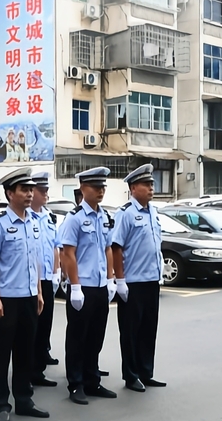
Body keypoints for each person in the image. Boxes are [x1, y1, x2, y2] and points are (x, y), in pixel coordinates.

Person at [0, 168, 48, 421]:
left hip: (30, 296)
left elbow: (35, 260)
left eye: (31, 189)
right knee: (1, 353)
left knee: (26, 351)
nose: (30, 194)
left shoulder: (34, 221)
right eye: (24, 190)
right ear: (10, 193)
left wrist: (40, 292)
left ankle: (24, 399)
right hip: (7, 298)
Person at [58, 167, 117, 405]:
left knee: (96, 336)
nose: (101, 191)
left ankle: (92, 379)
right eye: (96, 187)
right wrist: (74, 286)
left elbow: (108, 249)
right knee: (77, 337)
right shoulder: (74, 218)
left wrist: (112, 279)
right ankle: (76, 383)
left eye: (103, 187)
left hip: (100, 285)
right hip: (82, 286)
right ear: (83, 189)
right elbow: (68, 253)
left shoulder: (104, 216)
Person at [111, 164, 166, 392]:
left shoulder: (153, 211)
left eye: (152, 184)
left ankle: (146, 371)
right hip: (132, 282)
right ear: (134, 188)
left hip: (151, 280)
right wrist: (120, 281)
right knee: (131, 332)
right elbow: (116, 248)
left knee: (148, 329)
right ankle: (131, 375)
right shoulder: (125, 213)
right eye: (147, 184)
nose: (152, 188)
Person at [29, 171, 61, 385]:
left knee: (45, 325)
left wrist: (57, 272)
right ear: (32, 192)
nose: (46, 194)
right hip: (31, 280)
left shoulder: (48, 217)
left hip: (48, 279)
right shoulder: (26, 216)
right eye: (43, 191)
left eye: (47, 190)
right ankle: (29, 370)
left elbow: (55, 246)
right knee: (31, 327)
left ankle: (39, 367)